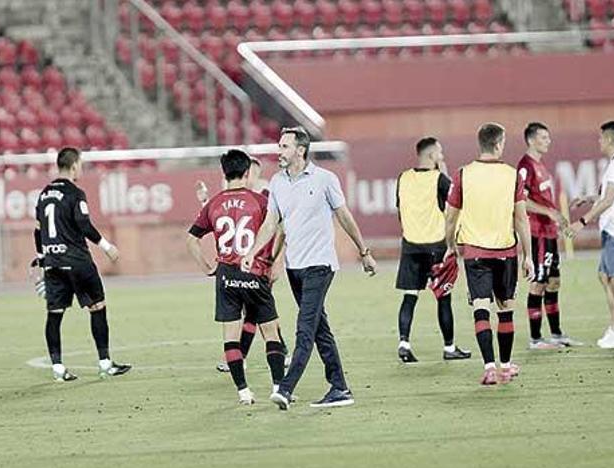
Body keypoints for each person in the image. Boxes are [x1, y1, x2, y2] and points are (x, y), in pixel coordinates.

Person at [242, 126, 378, 410]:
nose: (279, 152)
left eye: (284, 147)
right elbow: (271, 224)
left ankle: (286, 388)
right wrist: (253, 252)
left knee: (304, 328)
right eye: (280, 146)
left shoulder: (325, 179)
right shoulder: (277, 183)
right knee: (319, 329)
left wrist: (364, 252)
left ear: (300, 150)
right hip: (295, 267)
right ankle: (340, 387)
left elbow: (344, 216)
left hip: (320, 265)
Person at [186, 149, 287, 405]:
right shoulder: (260, 201)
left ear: (224, 173)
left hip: (226, 275)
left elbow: (192, 239)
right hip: (253, 270)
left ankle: (243, 391)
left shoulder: (215, 203)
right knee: (271, 333)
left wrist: (207, 266)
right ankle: (278, 387)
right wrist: (275, 261)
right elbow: (280, 228)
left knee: (231, 336)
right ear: (246, 172)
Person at [444, 123, 534, 385]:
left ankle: (489, 368)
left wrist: (450, 246)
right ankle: (506, 367)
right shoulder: (512, 175)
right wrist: (528, 255)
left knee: (481, 308)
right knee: (505, 309)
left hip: (474, 252)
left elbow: (450, 218)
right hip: (506, 251)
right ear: (499, 144)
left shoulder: (463, 174)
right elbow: (521, 218)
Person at [33, 147, 131, 381]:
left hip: (53, 262)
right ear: (75, 165)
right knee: (98, 307)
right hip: (77, 261)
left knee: (54, 314)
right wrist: (107, 247)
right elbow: (84, 225)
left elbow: (38, 231)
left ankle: (57, 368)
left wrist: (42, 258)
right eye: (81, 164)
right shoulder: (75, 193)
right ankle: (105, 363)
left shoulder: (44, 194)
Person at [394, 136, 471, 363]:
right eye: (439, 152)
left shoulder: (403, 178)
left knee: (410, 297)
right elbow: (455, 205)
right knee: (443, 298)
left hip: (410, 245)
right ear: (431, 155)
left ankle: (404, 343)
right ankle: (449, 348)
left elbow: (400, 210)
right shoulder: (439, 179)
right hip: (436, 246)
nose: (442, 156)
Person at [568, 121, 614, 349]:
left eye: (600, 138)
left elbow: (609, 200)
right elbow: (608, 196)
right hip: (613, 228)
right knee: (605, 276)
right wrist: (588, 198)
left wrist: (582, 221)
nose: (598, 142)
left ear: (609, 139)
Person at [517, 123, 583, 350]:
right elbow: (521, 200)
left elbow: (545, 202)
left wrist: (557, 218)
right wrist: (549, 212)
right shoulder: (525, 166)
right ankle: (536, 339)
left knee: (553, 282)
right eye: (544, 137)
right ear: (532, 140)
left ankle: (556, 334)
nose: (548, 141)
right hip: (537, 234)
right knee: (538, 283)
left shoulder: (541, 166)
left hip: (549, 232)